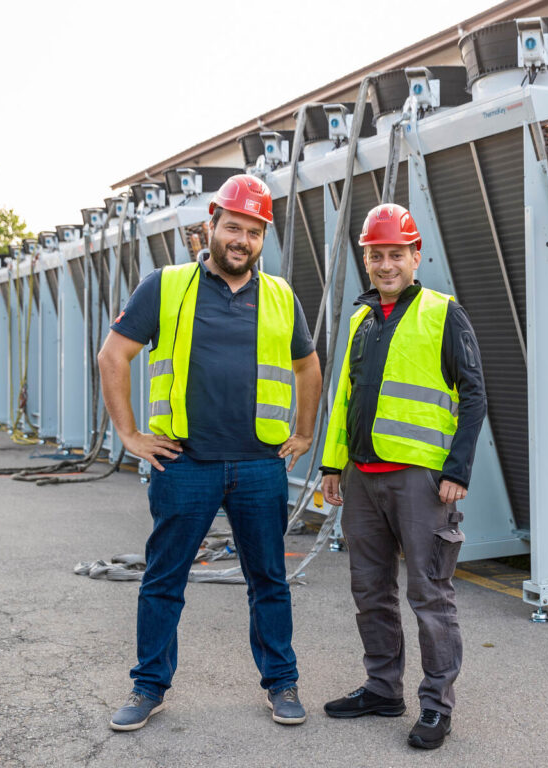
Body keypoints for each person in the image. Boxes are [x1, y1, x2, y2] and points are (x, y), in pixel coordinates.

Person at [97, 174, 322, 731]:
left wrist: (304, 432)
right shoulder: (165, 286)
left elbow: (307, 366)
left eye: (252, 230)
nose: (240, 239)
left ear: (262, 236)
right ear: (211, 227)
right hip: (185, 463)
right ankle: (148, 687)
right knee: (163, 580)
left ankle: (282, 682)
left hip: (259, 466)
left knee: (268, 580)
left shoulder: (280, 296)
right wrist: (128, 436)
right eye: (232, 227)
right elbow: (113, 357)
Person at [319, 203, 487, 750]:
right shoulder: (361, 320)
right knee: (369, 589)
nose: (385, 264)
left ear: (416, 256)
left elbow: (475, 394)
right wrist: (330, 464)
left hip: (420, 480)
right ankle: (382, 688)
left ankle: (437, 706)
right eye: (376, 255)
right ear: (366, 259)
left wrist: (456, 470)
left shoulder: (443, 313)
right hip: (363, 478)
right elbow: (345, 397)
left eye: (396, 254)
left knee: (429, 595)